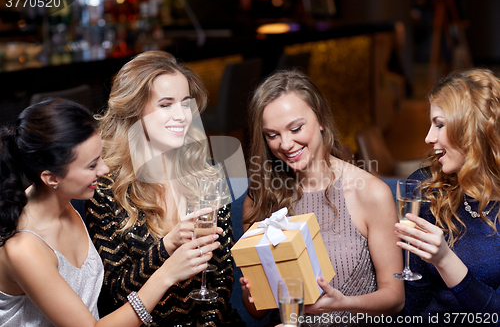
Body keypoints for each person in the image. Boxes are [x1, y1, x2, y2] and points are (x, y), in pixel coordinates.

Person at [0, 98, 219, 327]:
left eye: (100, 157)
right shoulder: (24, 248)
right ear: (51, 178)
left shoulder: (62, 200)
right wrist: (167, 275)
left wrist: (168, 242)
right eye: (92, 165)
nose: (104, 170)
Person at [86, 50, 243, 326]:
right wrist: (167, 247)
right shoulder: (107, 190)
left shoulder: (208, 176)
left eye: (185, 104)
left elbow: (222, 278)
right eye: (166, 104)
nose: (182, 116)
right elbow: (115, 293)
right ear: (136, 111)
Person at [240, 70, 405, 326]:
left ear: (321, 120)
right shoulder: (261, 197)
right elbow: (258, 312)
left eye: (296, 128)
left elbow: (395, 298)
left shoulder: (370, 193)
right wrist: (253, 293)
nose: (285, 144)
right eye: (272, 135)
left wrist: (344, 304)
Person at [395, 68, 500, 326]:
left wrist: (444, 259)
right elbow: (415, 295)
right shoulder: (426, 187)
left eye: (439, 125)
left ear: (472, 129)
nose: (428, 138)